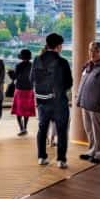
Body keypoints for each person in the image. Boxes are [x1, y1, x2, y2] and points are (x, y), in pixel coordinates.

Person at [31, 33, 73, 168]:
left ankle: (41, 157)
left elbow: (31, 79)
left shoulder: (37, 59)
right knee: (61, 130)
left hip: (42, 101)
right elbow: (69, 83)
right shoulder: (62, 62)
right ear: (59, 46)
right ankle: (61, 160)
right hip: (59, 102)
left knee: (42, 129)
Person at [10, 48, 36, 136]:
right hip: (29, 89)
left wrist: (10, 73)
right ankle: (25, 127)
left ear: (21, 57)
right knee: (26, 110)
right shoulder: (33, 65)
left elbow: (14, 77)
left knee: (18, 110)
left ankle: (21, 128)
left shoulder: (19, 65)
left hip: (20, 89)